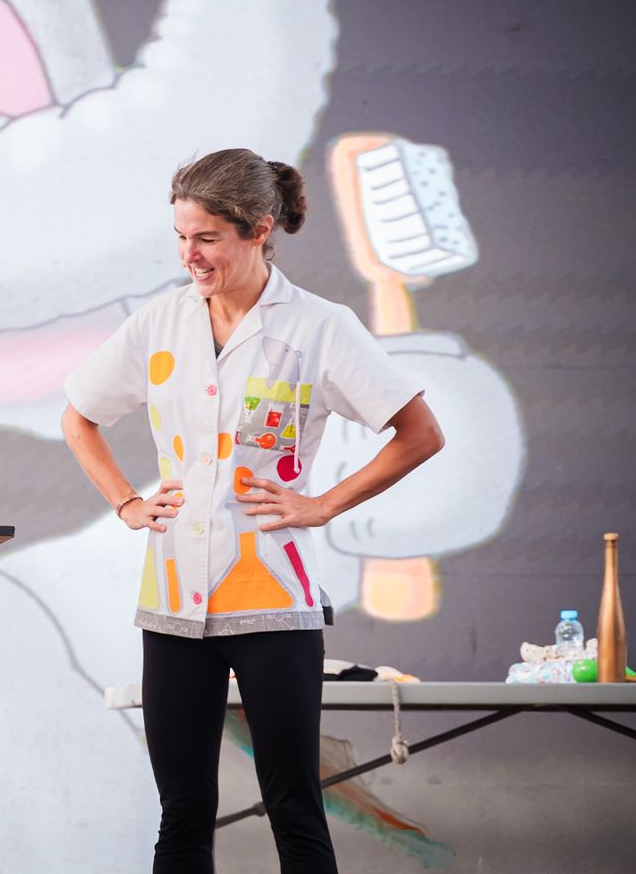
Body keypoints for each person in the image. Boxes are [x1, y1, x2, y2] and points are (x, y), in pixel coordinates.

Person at [60, 149, 444, 874]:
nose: (189, 255)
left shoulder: (318, 327)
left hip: (273, 601)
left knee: (294, 808)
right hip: (173, 603)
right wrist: (127, 503)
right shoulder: (159, 323)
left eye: (205, 238)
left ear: (258, 229)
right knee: (181, 817)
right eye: (180, 236)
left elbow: (419, 433)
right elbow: (78, 416)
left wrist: (324, 503)